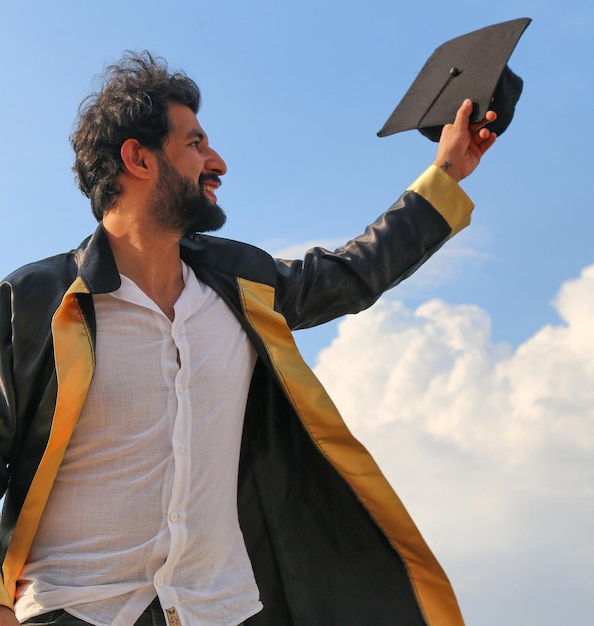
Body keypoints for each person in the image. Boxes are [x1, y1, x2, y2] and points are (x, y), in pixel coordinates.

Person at [0, 52, 496, 626]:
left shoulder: (240, 288)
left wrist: (447, 172)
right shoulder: (32, 305)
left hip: (221, 610)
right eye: (195, 145)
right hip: (73, 611)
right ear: (137, 158)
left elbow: (352, 273)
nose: (219, 163)